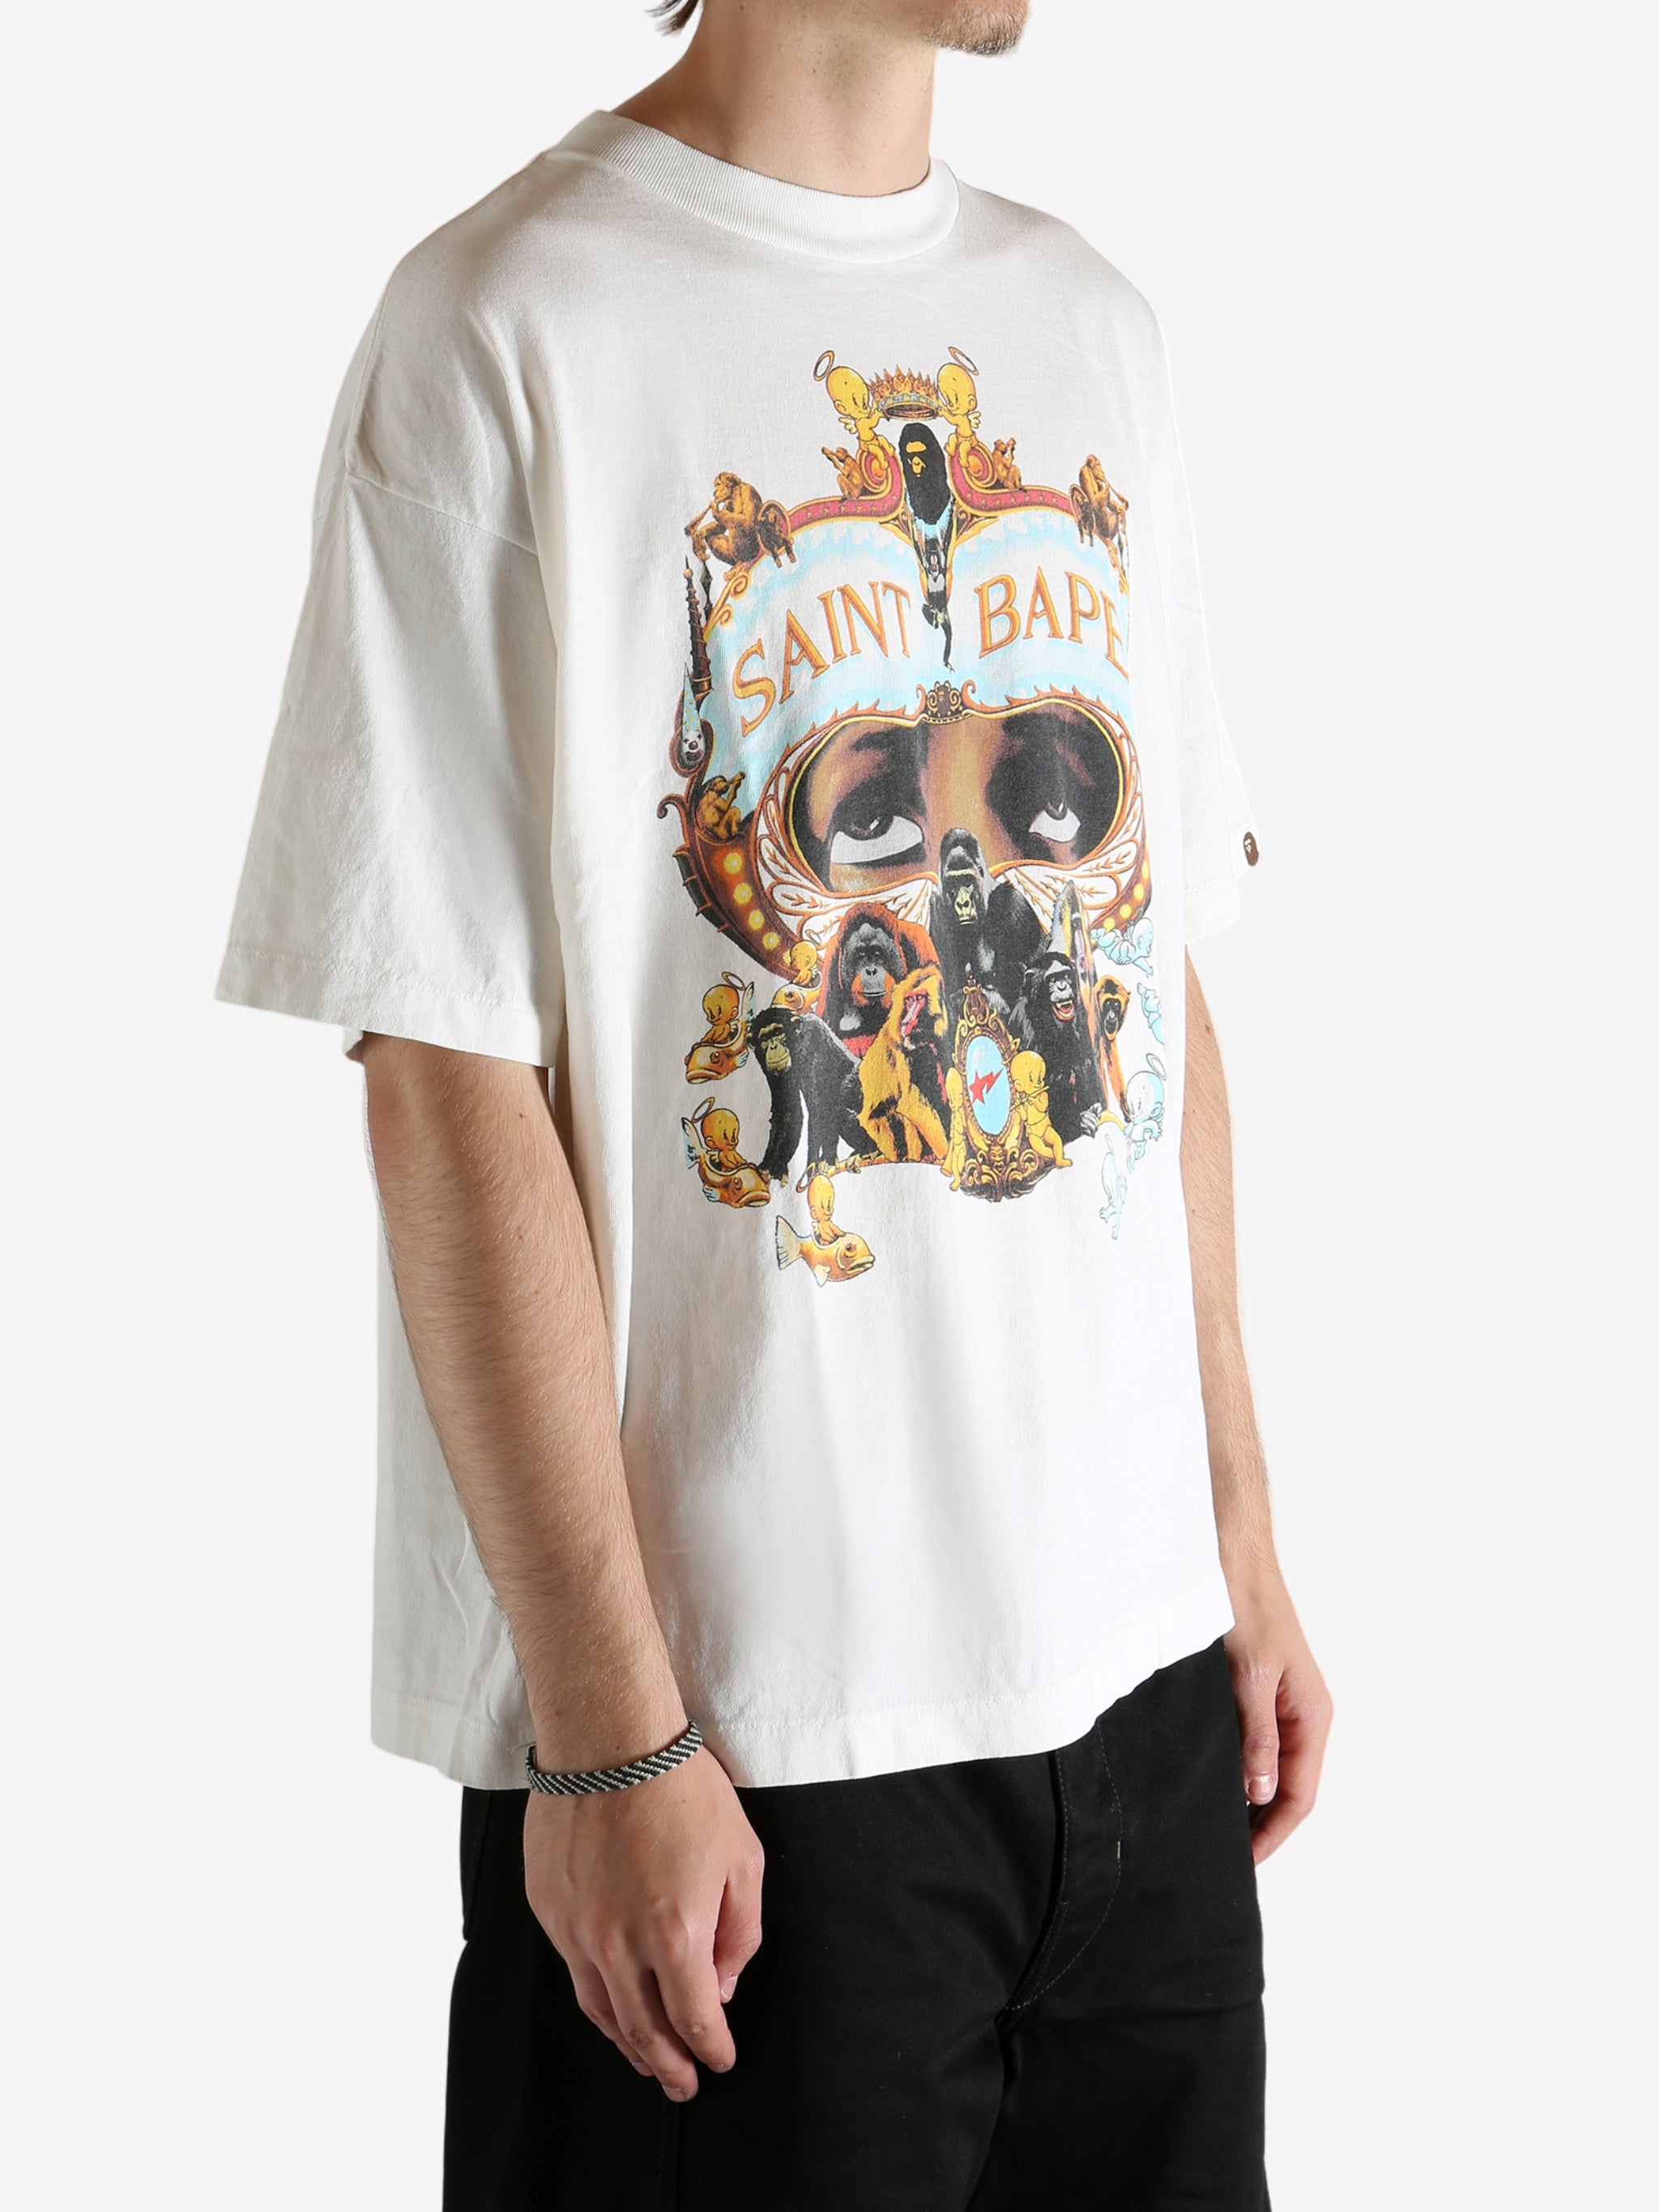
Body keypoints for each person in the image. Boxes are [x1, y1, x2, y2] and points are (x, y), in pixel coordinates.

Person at [217, 1, 1332, 2202]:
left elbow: (1149, 989)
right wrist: (608, 1732)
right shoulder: (505, 329)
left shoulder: (1090, 326)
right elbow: (446, 1081)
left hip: (1142, 1716)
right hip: (743, 1763)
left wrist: (1240, 1540)